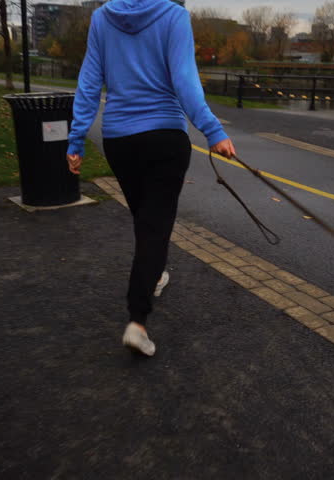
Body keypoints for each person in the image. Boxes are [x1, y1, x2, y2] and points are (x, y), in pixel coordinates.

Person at [66, 0, 236, 356]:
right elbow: (185, 81)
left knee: (146, 220)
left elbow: (89, 80)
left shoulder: (102, 18)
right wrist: (213, 130)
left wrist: (76, 136)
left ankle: (154, 273)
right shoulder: (173, 17)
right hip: (164, 138)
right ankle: (137, 321)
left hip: (120, 140)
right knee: (154, 226)